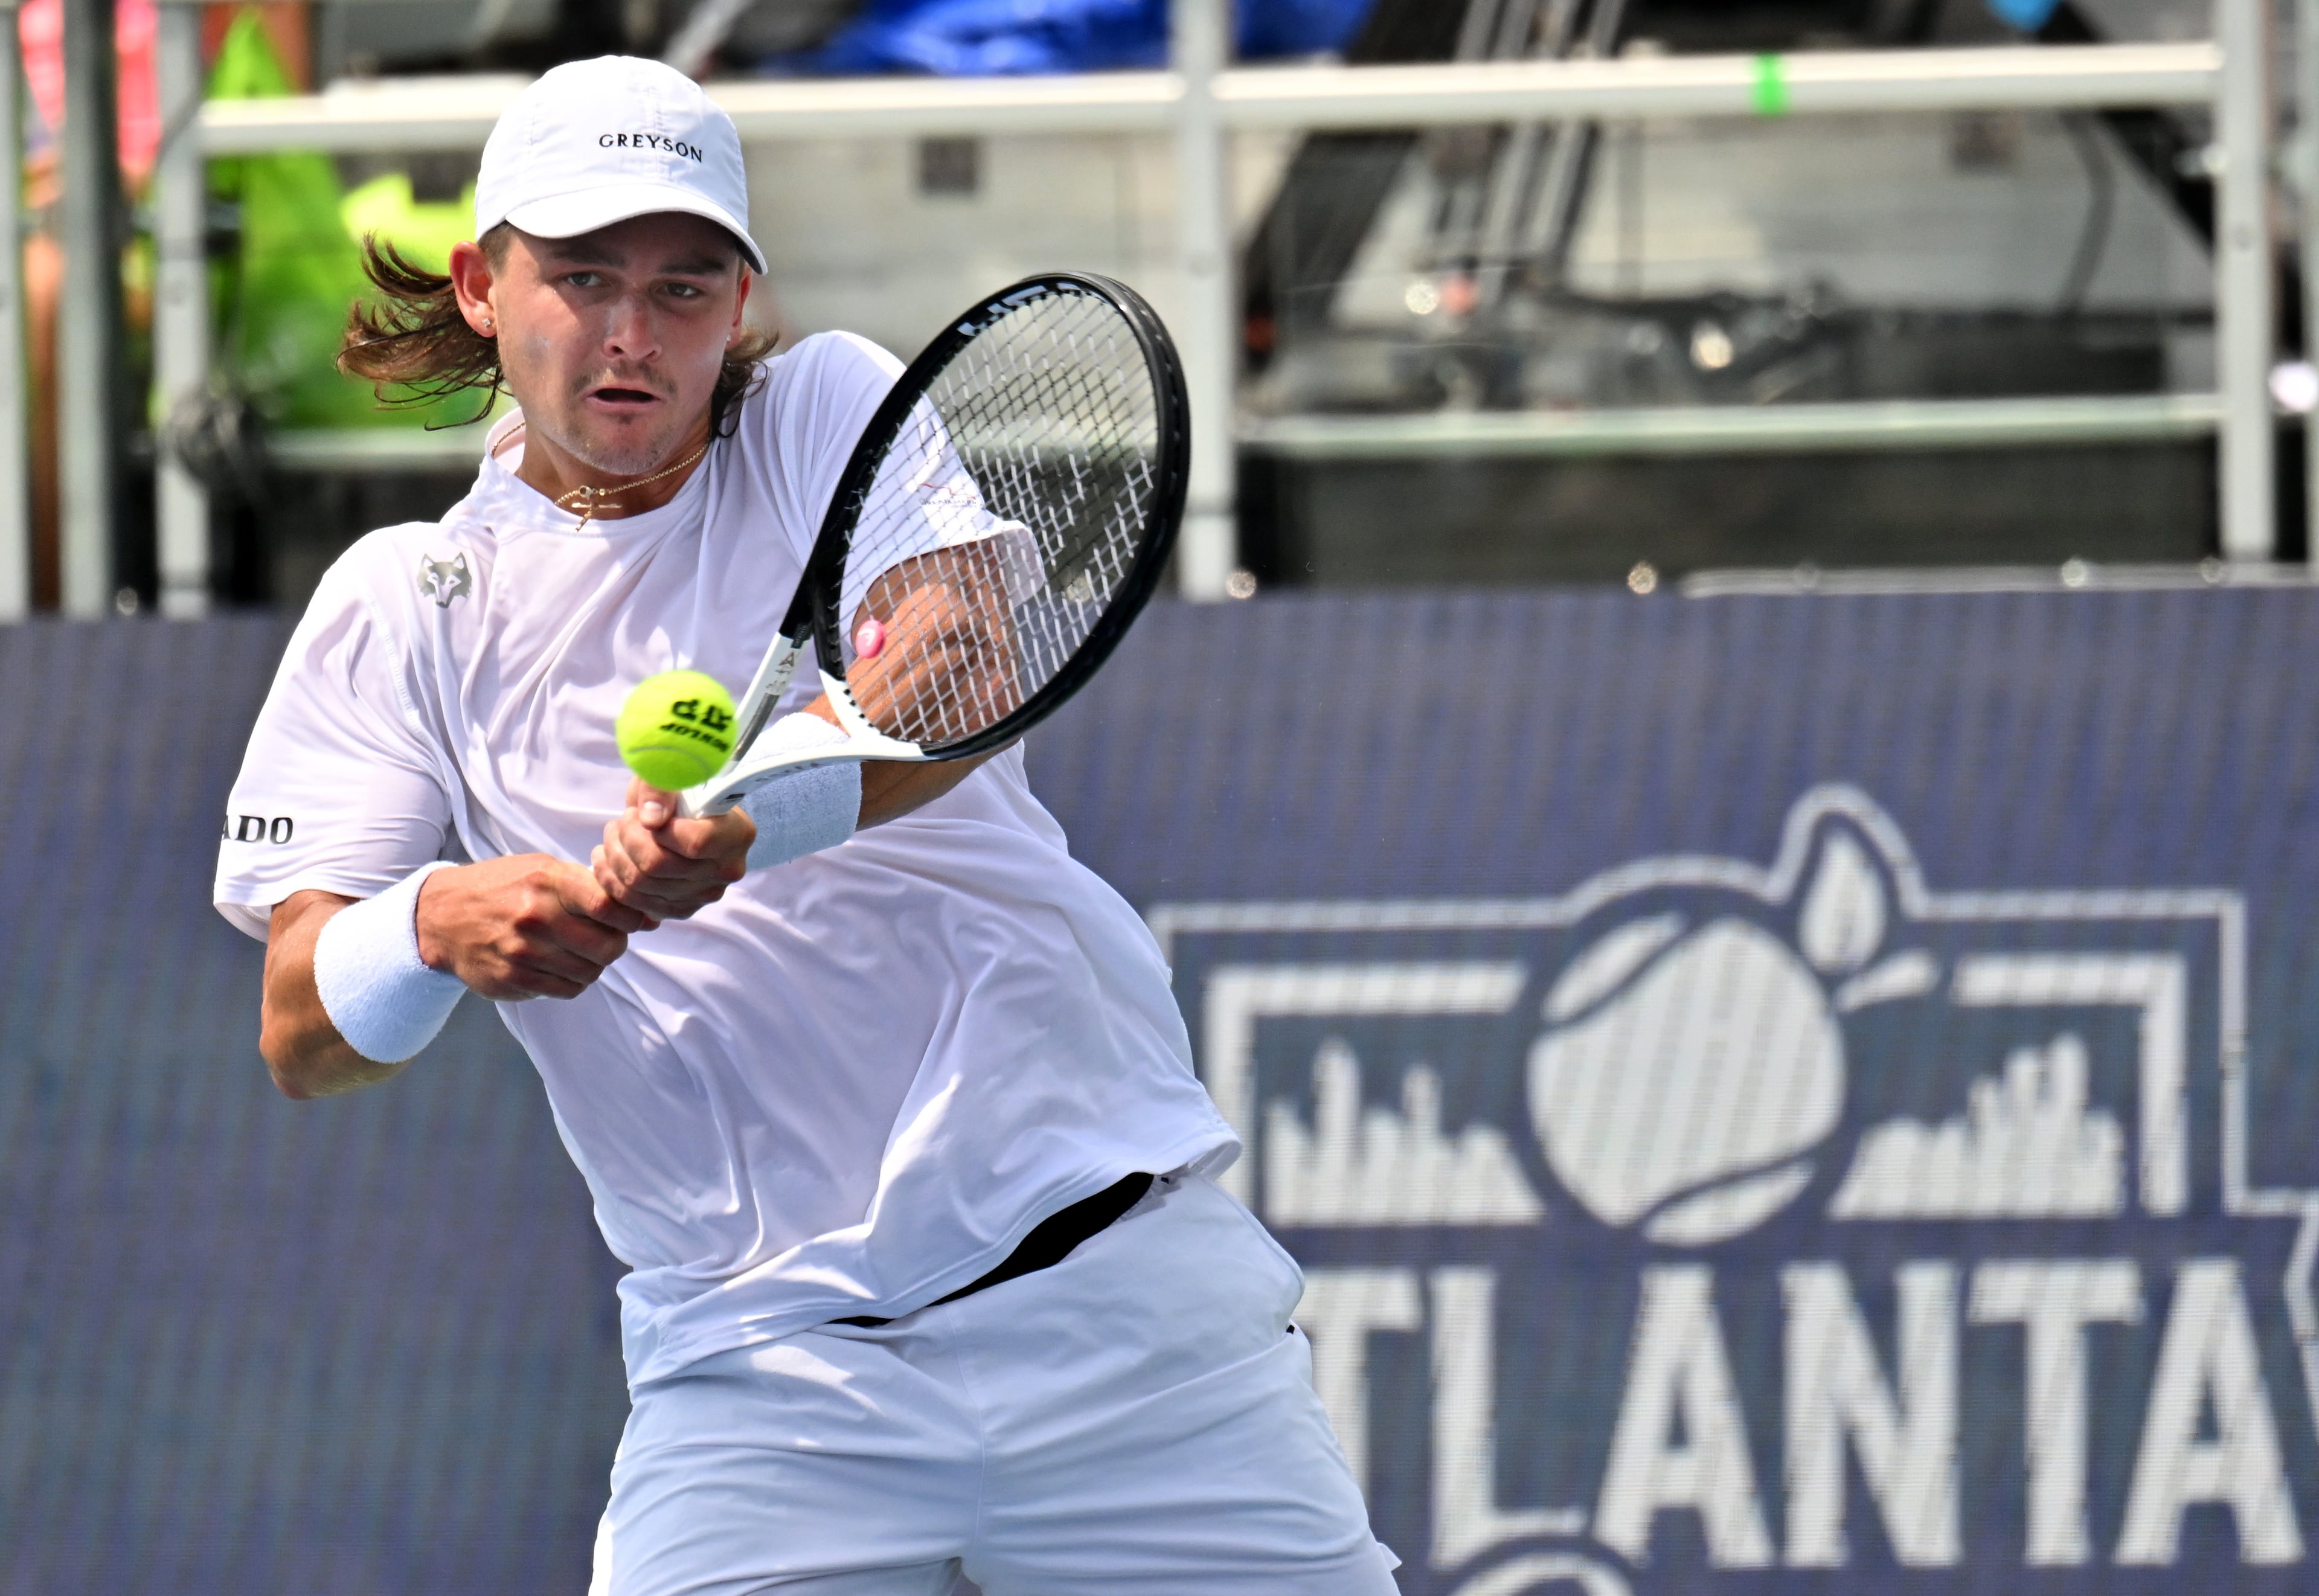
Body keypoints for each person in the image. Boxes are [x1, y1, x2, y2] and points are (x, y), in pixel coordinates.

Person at [211, 56, 1398, 1596]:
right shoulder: (401, 605)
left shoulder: (827, 406)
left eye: (684, 286)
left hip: (1119, 1311)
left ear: (741, 300)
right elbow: (300, 1028)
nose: (634, 334)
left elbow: (964, 660)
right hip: (761, 1380)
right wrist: (434, 926)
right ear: (482, 285)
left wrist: (749, 817)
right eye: (582, 278)